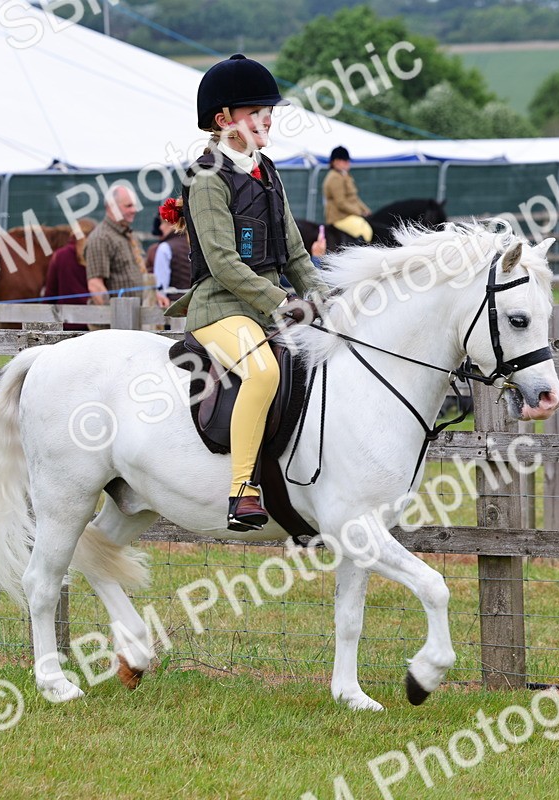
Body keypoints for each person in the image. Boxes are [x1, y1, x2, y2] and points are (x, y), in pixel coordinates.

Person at [165, 54, 328, 532]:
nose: (268, 119)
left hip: (264, 307)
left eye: (269, 111)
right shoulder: (207, 176)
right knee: (261, 372)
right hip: (219, 307)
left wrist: (325, 299)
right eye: (256, 111)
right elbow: (222, 263)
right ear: (223, 120)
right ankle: (243, 491)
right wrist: (282, 302)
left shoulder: (268, 170)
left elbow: (295, 252)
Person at [85, 186, 168, 310]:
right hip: (118, 324)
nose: (134, 210)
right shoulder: (101, 238)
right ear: (112, 207)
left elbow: (139, 274)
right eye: (128, 206)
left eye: (134, 205)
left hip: (136, 319)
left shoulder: (129, 234)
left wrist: (155, 296)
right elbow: (95, 285)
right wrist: (115, 319)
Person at [42, 218, 96, 332]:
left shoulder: (59, 255)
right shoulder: (97, 255)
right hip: (92, 322)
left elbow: (50, 293)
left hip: (64, 322)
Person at [323, 146, 373, 243]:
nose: (348, 163)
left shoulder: (344, 176)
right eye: (344, 160)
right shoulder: (335, 178)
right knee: (365, 231)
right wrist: (359, 213)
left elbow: (354, 198)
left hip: (349, 215)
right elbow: (340, 203)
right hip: (339, 217)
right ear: (336, 162)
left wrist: (366, 210)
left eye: (347, 160)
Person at [147, 211, 191, 301]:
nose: (160, 227)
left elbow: (161, 287)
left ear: (172, 224)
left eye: (163, 223)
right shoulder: (194, 244)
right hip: (195, 303)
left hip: (173, 306)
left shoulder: (164, 248)